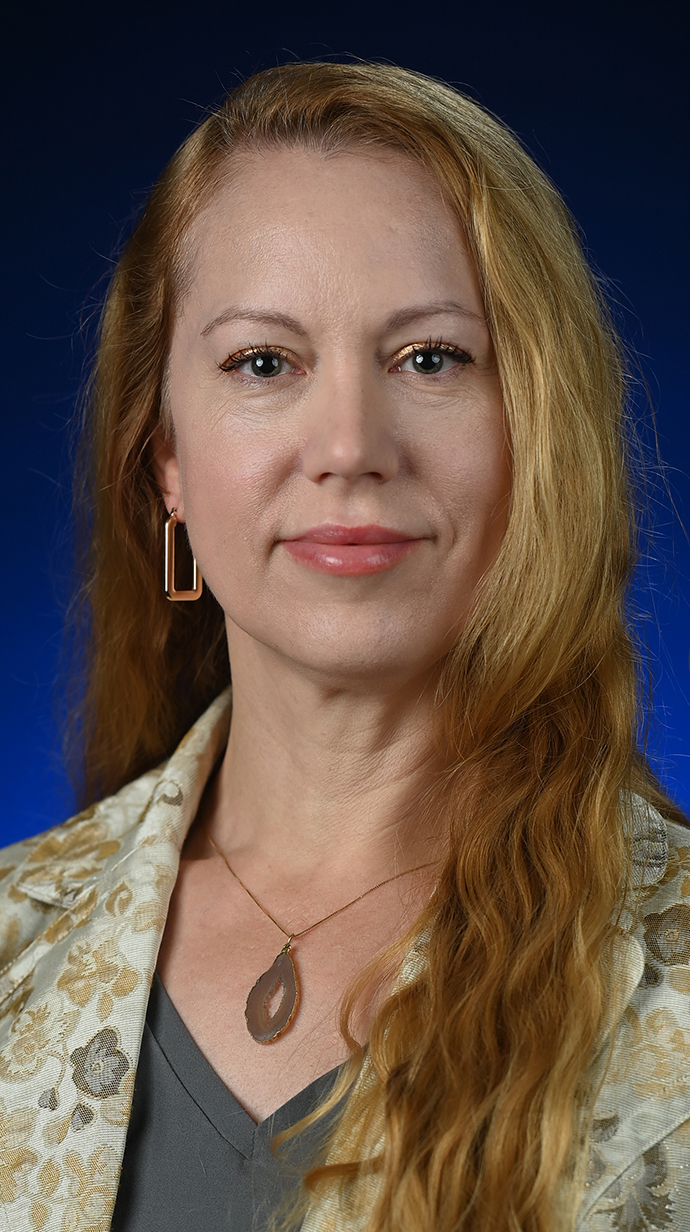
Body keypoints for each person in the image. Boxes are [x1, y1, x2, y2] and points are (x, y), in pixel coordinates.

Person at [0, 60, 688, 1232]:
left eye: (432, 358)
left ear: (539, 429)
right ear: (165, 459)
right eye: (263, 363)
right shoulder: (16, 938)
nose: (351, 445)